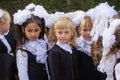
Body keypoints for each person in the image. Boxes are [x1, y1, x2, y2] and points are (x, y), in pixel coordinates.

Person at [14, 8, 48, 80]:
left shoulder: (43, 44)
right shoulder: (23, 50)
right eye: (29, 31)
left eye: (36, 30)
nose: (33, 34)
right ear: (23, 30)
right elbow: (22, 72)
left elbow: (46, 65)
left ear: (41, 29)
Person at [76, 16, 106, 80]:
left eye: (91, 29)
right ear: (79, 30)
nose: (88, 33)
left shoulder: (99, 43)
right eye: (85, 30)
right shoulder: (77, 45)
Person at [0, 9, 17, 80]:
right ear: (1, 24)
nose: (10, 25)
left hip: (11, 69)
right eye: (9, 23)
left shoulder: (12, 34)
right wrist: (8, 56)